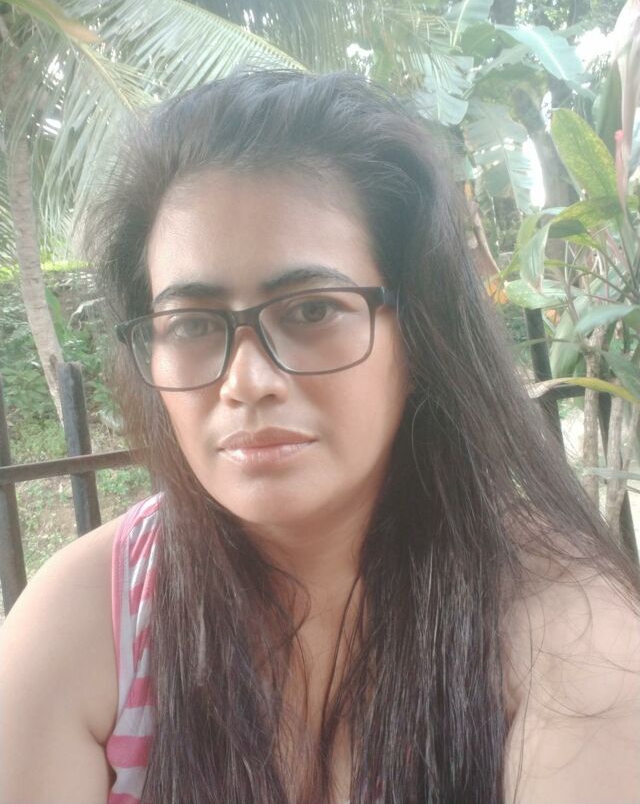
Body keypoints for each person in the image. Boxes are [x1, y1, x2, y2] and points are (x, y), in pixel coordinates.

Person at [1, 69, 639, 804]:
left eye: (310, 311)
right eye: (192, 324)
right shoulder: (88, 623)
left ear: (419, 334)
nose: (246, 381)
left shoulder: (565, 625)